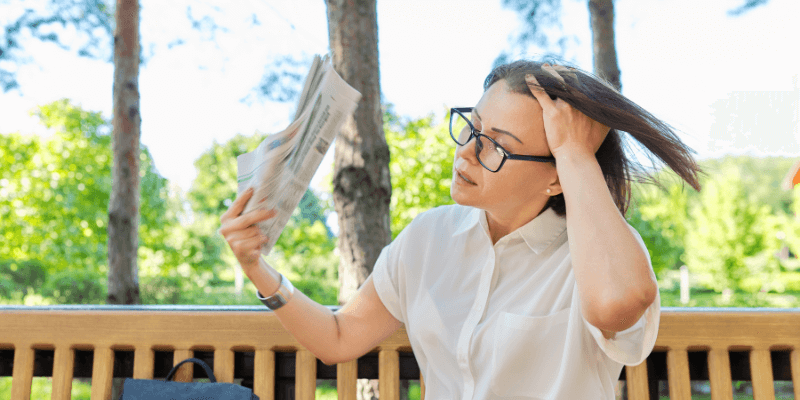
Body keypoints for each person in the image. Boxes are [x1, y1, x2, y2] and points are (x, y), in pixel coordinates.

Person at [219, 60, 701, 399]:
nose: (466, 152)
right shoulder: (428, 237)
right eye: (472, 127)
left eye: (496, 146)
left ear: (557, 177)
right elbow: (339, 337)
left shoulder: (600, 256)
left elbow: (615, 305)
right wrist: (256, 266)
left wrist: (575, 153)